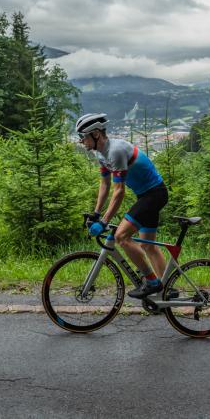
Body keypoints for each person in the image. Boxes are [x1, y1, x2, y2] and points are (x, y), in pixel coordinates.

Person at [76, 113, 169, 298]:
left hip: (154, 194)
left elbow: (119, 192)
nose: (81, 141)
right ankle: (167, 290)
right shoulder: (102, 154)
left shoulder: (115, 151)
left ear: (96, 134)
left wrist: (103, 221)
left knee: (122, 237)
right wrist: (96, 213)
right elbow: (105, 185)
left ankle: (151, 281)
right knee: (148, 246)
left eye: (83, 137)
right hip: (147, 195)